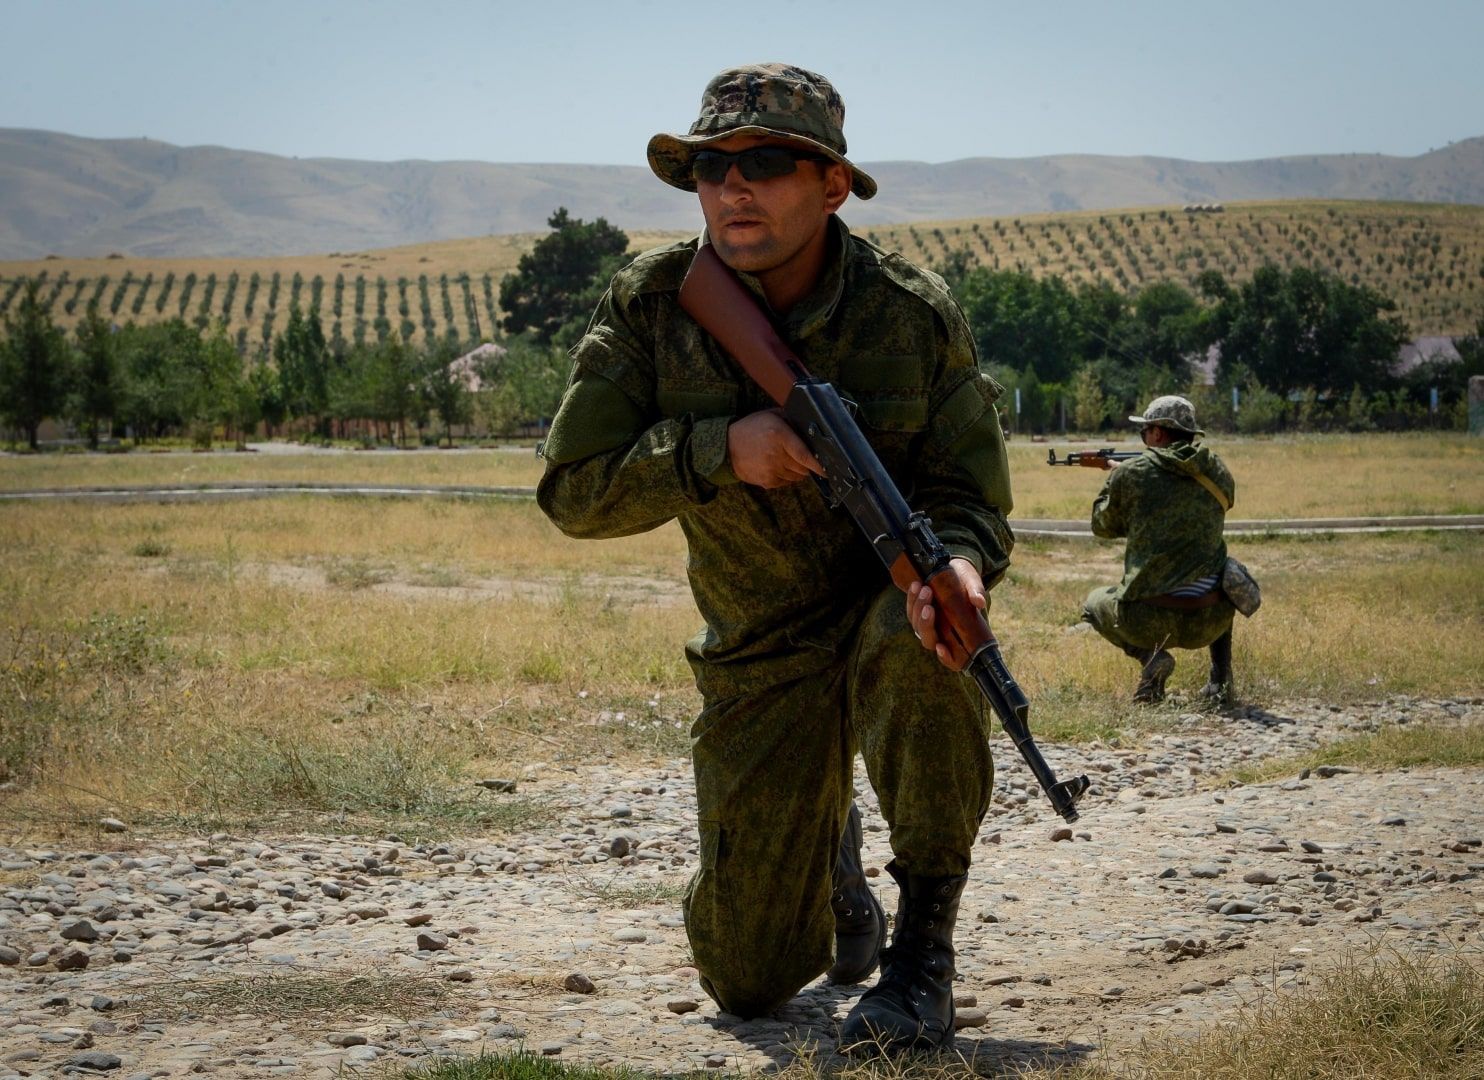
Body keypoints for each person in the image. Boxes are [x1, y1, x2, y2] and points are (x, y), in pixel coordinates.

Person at [536, 64, 1014, 1053]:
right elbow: (570, 492)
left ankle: (921, 958)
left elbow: (969, 499)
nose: (730, 189)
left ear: (831, 184)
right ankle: (832, 863)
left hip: (885, 612)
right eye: (709, 168)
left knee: (928, 635)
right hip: (758, 651)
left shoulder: (909, 313)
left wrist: (960, 564)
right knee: (748, 979)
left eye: (764, 164)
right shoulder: (653, 304)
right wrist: (720, 452)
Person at [1081, 395, 1236, 703]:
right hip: (1210, 618)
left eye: (1145, 431)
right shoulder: (1217, 470)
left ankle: (1151, 659)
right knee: (1226, 573)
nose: (1144, 438)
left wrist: (1116, 479)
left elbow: (1102, 526)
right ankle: (1222, 680)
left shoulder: (1131, 474)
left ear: (1158, 433)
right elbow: (1221, 504)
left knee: (1093, 603)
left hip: (1145, 620)